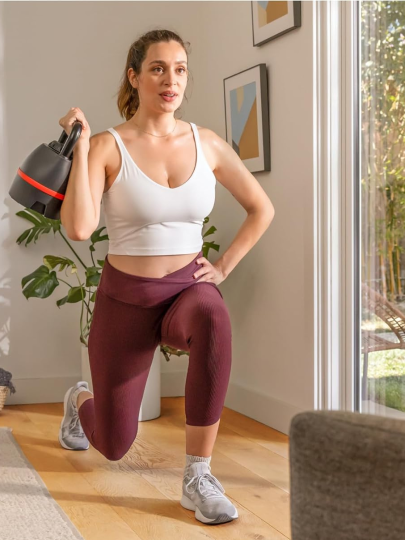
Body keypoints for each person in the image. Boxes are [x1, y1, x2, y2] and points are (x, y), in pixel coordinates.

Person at [55, 29, 274, 526]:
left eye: (179, 69)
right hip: (125, 300)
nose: (170, 79)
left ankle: (198, 476)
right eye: (157, 68)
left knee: (215, 316)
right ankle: (80, 399)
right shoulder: (109, 146)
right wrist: (83, 145)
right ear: (134, 77)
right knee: (112, 445)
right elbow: (80, 226)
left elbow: (261, 208)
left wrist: (221, 268)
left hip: (187, 294)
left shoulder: (208, 143)